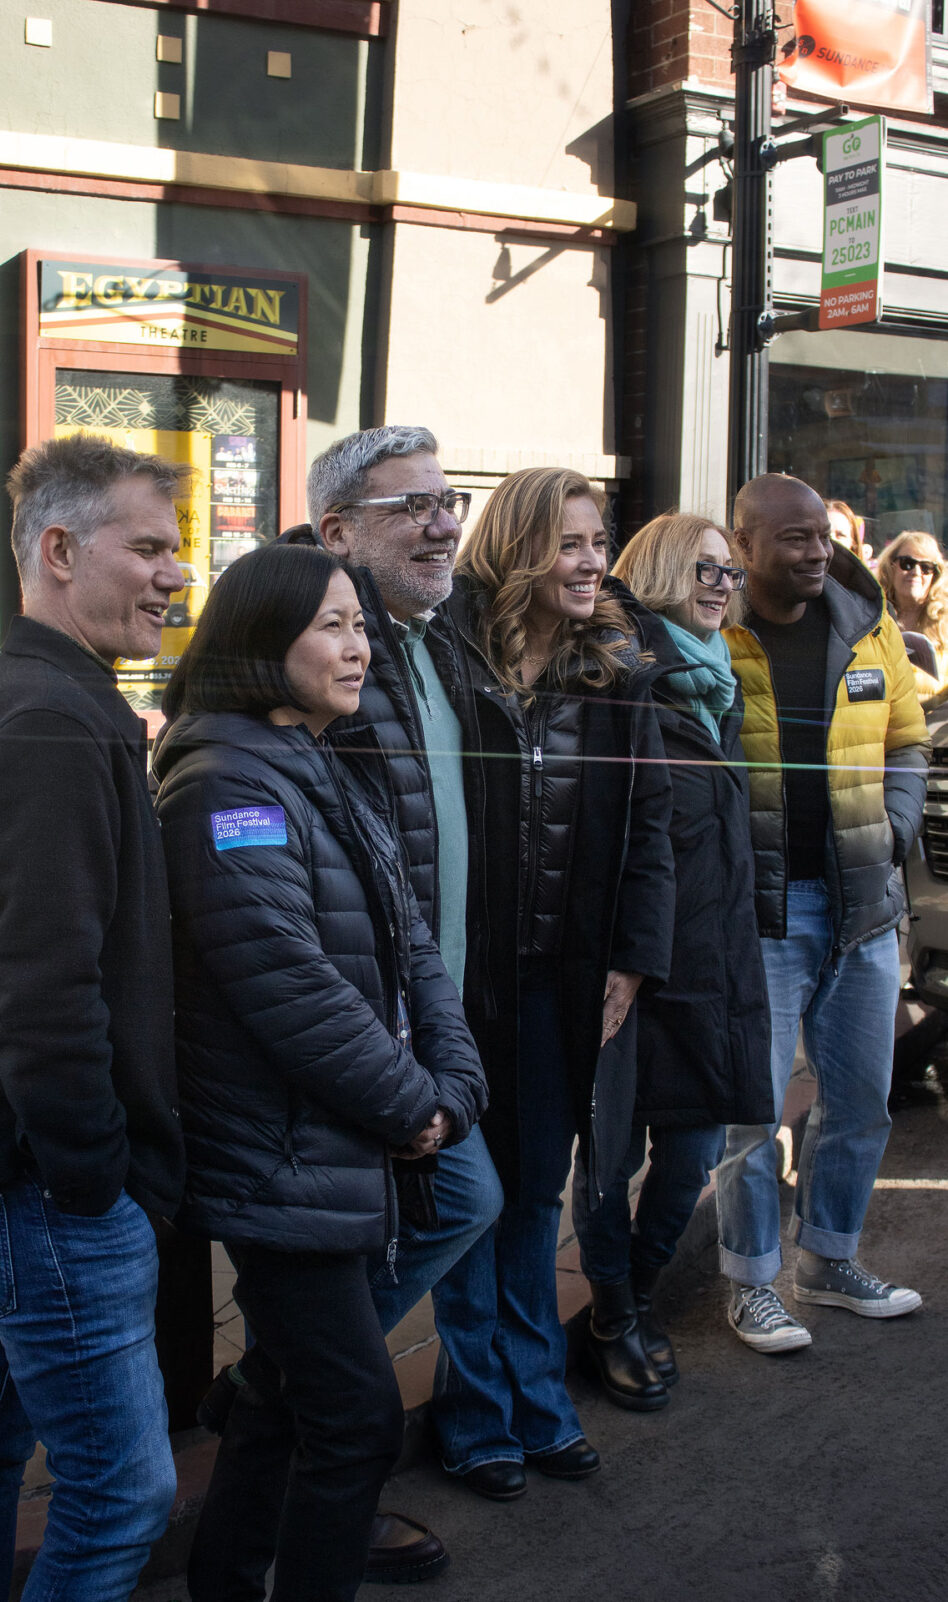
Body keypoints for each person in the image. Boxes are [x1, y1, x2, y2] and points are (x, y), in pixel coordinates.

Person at [152, 542, 486, 1602]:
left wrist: (452, 1085)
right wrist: (413, 1106)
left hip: (338, 1145)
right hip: (278, 1157)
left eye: (361, 627)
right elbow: (287, 986)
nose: (359, 649)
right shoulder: (221, 787)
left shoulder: (313, 760)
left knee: (288, 1401)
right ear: (262, 643)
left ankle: (228, 1579)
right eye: (333, 627)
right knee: (354, 1421)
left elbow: (412, 945)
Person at [0, 434, 189, 1601]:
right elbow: (42, 992)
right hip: (38, 1188)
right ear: (60, 551)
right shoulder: (50, 724)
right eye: (151, 547)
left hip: (6, 1177)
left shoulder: (54, 702)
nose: (176, 575)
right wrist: (92, 1179)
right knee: (124, 1494)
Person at [429, 467, 675, 1498]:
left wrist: (631, 960)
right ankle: (477, 1412)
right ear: (522, 547)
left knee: (534, 1196)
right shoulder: (441, 658)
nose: (591, 563)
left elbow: (651, 825)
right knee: (470, 1198)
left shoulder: (617, 671)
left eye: (597, 541)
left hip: (562, 980)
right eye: (572, 542)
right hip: (458, 980)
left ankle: (536, 1402)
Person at [717, 472, 928, 1352]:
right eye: (794, 539)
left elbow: (909, 737)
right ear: (743, 546)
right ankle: (751, 1281)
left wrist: (897, 825)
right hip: (759, 911)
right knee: (750, 1110)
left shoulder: (866, 623)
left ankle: (830, 1262)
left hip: (862, 907)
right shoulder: (710, 633)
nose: (815, 553)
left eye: (822, 536)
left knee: (861, 1099)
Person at [570, 513, 774, 1408]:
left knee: (690, 1156)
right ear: (656, 567)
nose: (724, 584)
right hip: (631, 969)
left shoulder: (720, 684)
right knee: (608, 1159)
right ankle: (612, 1314)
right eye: (705, 567)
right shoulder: (624, 679)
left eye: (732, 571)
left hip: (712, 963)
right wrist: (618, 959)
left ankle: (634, 1301)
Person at [876, 529, 948, 703]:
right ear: (890, 565)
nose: (916, 572)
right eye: (907, 563)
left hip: (933, 727)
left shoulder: (945, 624)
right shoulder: (871, 617)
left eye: (926, 567)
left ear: (935, 575)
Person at [825, 497, 872, 566]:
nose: (833, 539)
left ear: (853, 543)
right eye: (825, 534)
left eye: (840, 535)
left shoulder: (862, 576)